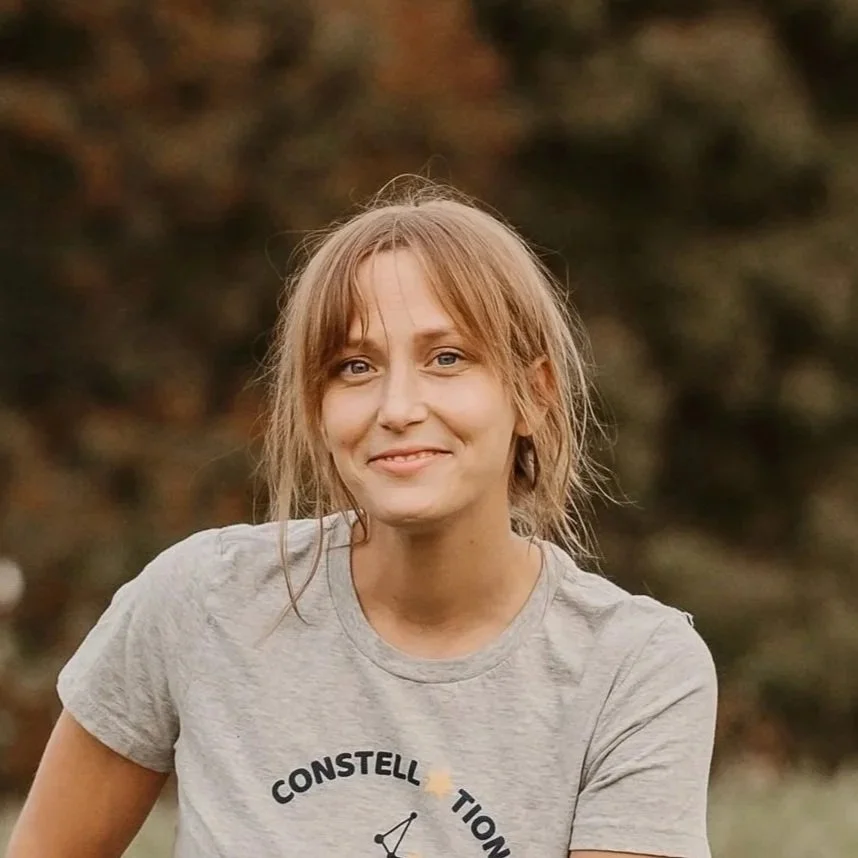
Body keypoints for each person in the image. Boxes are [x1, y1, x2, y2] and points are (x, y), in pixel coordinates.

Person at [6, 179, 717, 858]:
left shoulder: (634, 670)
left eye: (447, 358)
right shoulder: (202, 602)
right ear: (316, 407)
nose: (397, 408)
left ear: (532, 394)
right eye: (355, 366)